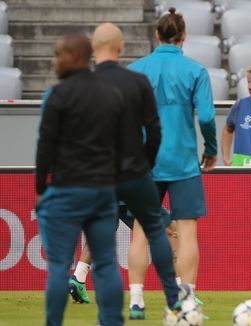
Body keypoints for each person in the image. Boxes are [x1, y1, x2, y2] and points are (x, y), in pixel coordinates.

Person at [66, 23, 183, 320]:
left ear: (94, 49)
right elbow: (153, 130)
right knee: (164, 230)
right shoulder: (136, 81)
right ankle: (179, 295)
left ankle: (79, 277)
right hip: (133, 172)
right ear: (121, 48)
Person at [129, 7, 218, 303]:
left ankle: (137, 299)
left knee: (141, 230)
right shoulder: (195, 70)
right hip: (183, 161)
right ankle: (187, 298)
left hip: (145, 162)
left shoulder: (136, 70)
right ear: (184, 36)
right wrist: (212, 150)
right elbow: (206, 117)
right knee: (187, 232)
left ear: (157, 35)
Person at [36, 33, 124, 326]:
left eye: (58, 54)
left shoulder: (57, 95)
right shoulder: (111, 93)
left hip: (67, 190)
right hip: (103, 191)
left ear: (74, 57)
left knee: (60, 267)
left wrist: (40, 189)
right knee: (108, 265)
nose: (53, 60)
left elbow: (45, 146)